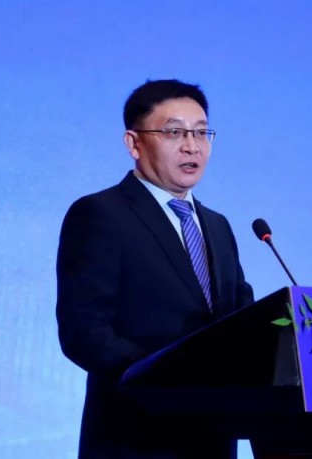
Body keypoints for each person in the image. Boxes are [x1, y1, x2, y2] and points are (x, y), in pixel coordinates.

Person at [56, 79, 255, 458]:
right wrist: (166, 377)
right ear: (133, 143)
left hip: (212, 440)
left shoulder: (218, 226)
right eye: (174, 132)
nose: (192, 146)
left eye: (201, 132)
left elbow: (240, 320)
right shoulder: (100, 214)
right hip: (134, 438)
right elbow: (83, 330)